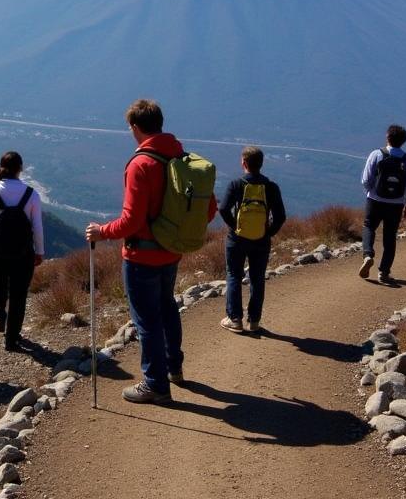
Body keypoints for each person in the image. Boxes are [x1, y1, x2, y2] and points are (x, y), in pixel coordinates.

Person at [85, 99, 217, 405]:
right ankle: (174, 368)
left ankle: (155, 384)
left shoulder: (141, 164)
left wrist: (100, 232)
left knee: (146, 321)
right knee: (167, 308)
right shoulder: (182, 158)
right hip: (171, 252)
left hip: (141, 256)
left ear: (134, 127)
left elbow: (131, 221)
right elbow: (208, 208)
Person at [0, 151, 44, 351]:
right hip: (23, 252)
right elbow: (37, 226)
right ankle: (12, 339)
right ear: (20, 169)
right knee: (19, 294)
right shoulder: (31, 194)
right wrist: (39, 251)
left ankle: (0, 314)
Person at [218, 146, 287, 334]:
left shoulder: (236, 185)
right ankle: (254, 321)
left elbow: (223, 209)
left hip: (237, 239)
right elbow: (280, 216)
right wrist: (267, 232)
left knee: (234, 275)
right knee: (257, 279)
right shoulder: (271, 187)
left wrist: (235, 227)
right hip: (261, 240)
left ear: (244, 163)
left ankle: (235, 319)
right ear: (261, 164)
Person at [358, 125, 406, 285]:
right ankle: (384, 272)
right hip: (396, 204)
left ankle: (368, 254)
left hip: (375, 200)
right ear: (403, 141)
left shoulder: (377, 154)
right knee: (390, 237)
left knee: (369, 227)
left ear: (387, 137)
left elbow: (365, 180)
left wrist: (371, 193)